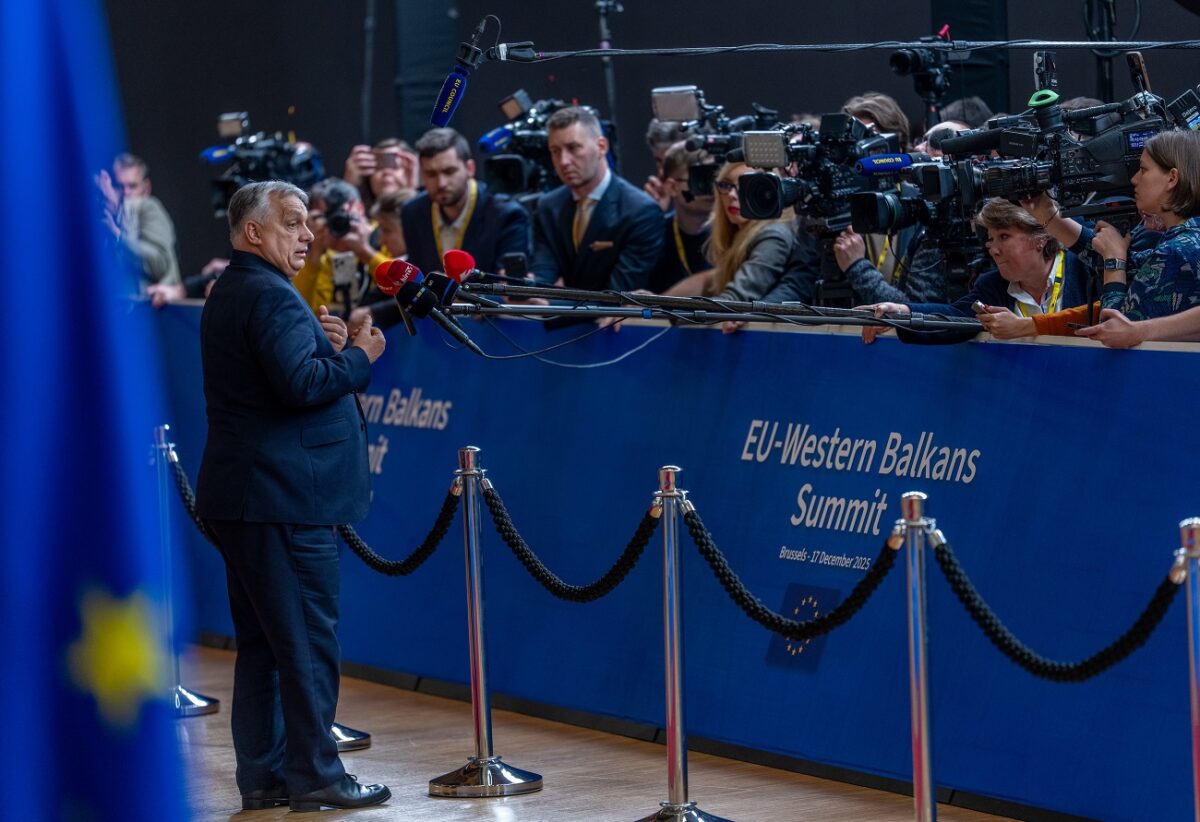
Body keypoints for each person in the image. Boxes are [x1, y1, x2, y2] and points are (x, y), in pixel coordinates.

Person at [195, 180, 390, 812]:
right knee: (306, 644)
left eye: (308, 223)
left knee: (265, 646)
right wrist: (358, 357)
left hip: (249, 496)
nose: (308, 234)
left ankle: (266, 777)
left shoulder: (236, 287)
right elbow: (300, 386)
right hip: (281, 498)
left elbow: (280, 374)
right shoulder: (270, 294)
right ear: (254, 231)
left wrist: (323, 348)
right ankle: (317, 776)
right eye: (293, 222)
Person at [1014, 130, 1200, 347]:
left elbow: (1115, 332)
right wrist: (1046, 213)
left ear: (1172, 178)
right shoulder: (1187, 240)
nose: (1134, 179)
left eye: (1143, 169)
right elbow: (1129, 266)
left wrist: (1114, 261)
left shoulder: (1178, 252)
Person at [860, 198, 1090, 344]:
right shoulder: (992, 285)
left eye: (1004, 236)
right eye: (990, 238)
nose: (993, 249)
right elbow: (953, 318)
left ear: (1041, 238)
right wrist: (901, 312)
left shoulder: (1085, 269)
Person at [530, 106, 663, 292]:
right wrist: (527, 287)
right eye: (555, 151)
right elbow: (543, 272)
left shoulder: (640, 212)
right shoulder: (548, 206)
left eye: (573, 148)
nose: (563, 161)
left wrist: (547, 301)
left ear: (602, 147)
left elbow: (618, 295)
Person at [400, 127, 530, 278]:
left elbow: (510, 285)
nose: (441, 183)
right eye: (431, 174)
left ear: (470, 168)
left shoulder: (506, 215)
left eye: (449, 171)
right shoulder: (412, 212)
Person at [704, 161, 817, 303]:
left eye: (744, 186)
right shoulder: (734, 231)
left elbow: (736, 301)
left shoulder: (774, 235)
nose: (732, 194)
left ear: (767, 192)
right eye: (726, 185)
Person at [95, 153, 181, 291]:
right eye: (119, 186)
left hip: (157, 302)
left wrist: (118, 237)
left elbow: (160, 264)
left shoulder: (149, 207)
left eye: (132, 186)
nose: (126, 193)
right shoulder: (111, 216)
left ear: (146, 188)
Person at [647, 141, 714, 295]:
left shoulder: (734, 232)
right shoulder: (653, 236)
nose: (710, 188)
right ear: (672, 187)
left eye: (714, 177)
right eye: (699, 179)